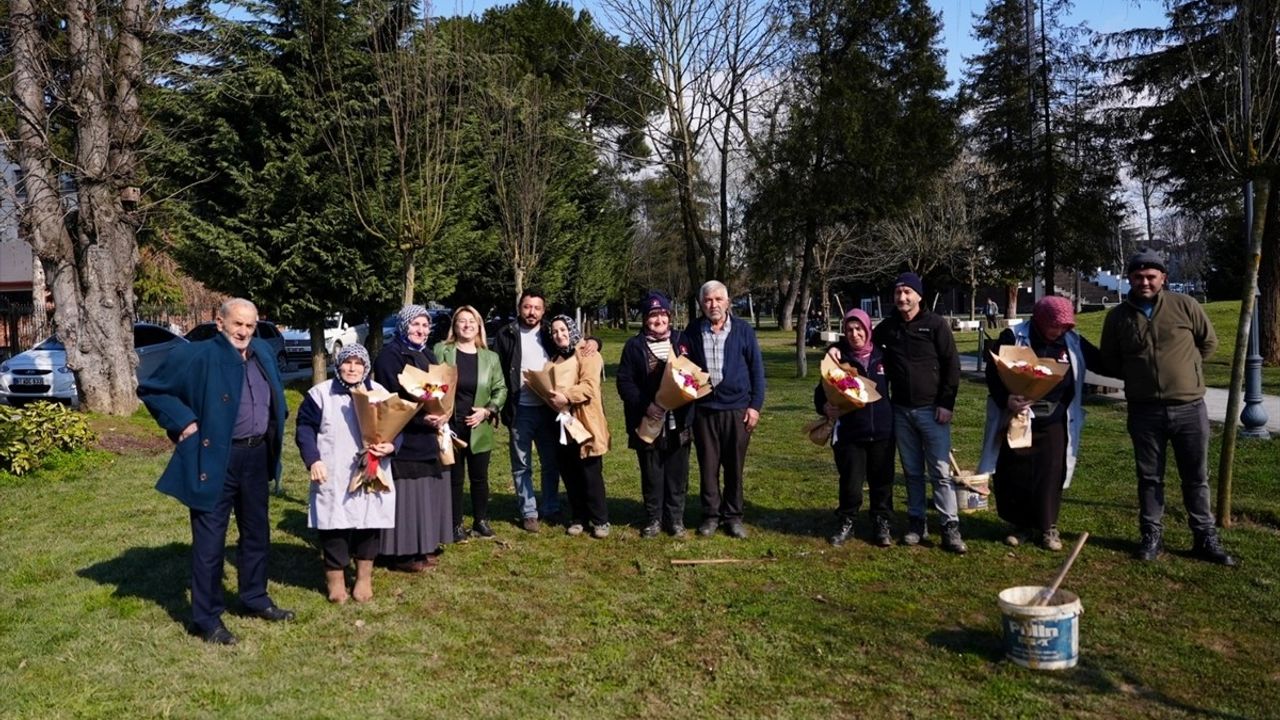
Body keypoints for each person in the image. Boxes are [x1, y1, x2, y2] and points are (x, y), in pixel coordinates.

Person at [138, 298, 293, 645]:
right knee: (210, 542)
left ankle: (255, 597)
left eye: (250, 325)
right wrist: (183, 422)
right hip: (216, 459)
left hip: (256, 455)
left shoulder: (262, 353)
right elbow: (153, 389)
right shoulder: (197, 354)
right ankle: (206, 618)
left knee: (256, 532)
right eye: (237, 324)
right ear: (220, 322)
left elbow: (274, 393)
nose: (244, 331)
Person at [1099, 248, 1235, 566]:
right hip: (1144, 411)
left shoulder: (1185, 305)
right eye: (1138, 277)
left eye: (1151, 276)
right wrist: (1137, 376)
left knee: (1196, 477)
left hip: (1189, 408)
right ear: (1130, 279)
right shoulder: (1118, 317)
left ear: (1163, 278)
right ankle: (1151, 535)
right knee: (1149, 477)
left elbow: (1209, 342)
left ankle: (1204, 536)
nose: (1144, 282)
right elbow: (1110, 360)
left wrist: (1188, 370)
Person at [979, 296, 1103, 551]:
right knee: (1016, 472)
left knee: (1050, 473)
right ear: (1040, 320)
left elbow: (1102, 362)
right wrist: (1006, 398)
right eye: (1055, 326)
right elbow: (993, 371)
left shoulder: (1072, 341)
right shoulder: (1013, 336)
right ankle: (1020, 525)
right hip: (1019, 415)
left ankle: (1048, 527)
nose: (1060, 331)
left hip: (1054, 419)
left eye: (1065, 326)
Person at [871, 272, 966, 553]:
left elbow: (952, 365)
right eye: (898, 293)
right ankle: (916, 523)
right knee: (912, 472)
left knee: (940, 472)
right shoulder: (888, 328)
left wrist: (946, 404)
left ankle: (949, 526)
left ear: (919, 296)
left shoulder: (936, 325)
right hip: (901, 411)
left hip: (933, 411)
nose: (902, 298)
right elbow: (863, 344)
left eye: (907, 292)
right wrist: (836, 351)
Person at [295, 344, 396, 603]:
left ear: (366, 367)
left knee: (369, 522)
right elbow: (305, 428)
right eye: (347, 362)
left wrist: (392, 445)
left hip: (372, 469)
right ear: (338, 365)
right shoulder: (320, 394)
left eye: (358, 363)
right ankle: (336, 579)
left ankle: (363, 578)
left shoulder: (380, 393)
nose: (352, 368)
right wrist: (313, 459)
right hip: (334, 469)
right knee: (333, 524)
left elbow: (397, 427)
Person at [492, 290, 598, 532]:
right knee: (521, 463)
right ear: (519, 308)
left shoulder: (551, 332)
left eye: (537, 308)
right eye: (527, 307)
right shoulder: (506, 334)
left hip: (550, 409)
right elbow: (497, 370)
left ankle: (550, 506)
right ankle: (528, 511)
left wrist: (595, 342)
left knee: (550, 462)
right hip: (519, 408)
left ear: (543, 311)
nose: (532, 312)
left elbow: (574, 344)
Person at [683, 280, 766, 539]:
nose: (713, 304)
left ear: (728, 302)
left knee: (734, 466)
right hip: (705, 410)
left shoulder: (743, 330)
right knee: (708, 466)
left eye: (718, 299)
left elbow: (757, 370)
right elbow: (682, 366)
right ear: (701, 303)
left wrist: (755, 407)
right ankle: (710, 515)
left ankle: (733, 516)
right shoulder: (692, 330)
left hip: (737, 409)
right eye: (708, 300)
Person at [373, 304, 453, 572]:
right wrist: (421, 418)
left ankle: (422, 545)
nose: (420, 330)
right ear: (403, 326)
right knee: (408, 497)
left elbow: (438, 392)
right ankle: (401, 553)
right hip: (403, 437)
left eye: (425, 325)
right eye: (415, 324)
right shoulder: (390, 356)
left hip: (428, 437)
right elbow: (393, 400)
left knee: (426, 494)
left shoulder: (428, 355)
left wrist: (443, 413)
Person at [616, 291, 694, 538]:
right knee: (652, 472)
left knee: (677, 473)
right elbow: (625, 382)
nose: (658, 320)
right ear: (645, 319)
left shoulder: (682, 341)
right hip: (647, 419)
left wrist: (686, 391)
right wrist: (646, 405)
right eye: (652, 315)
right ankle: (654, 519)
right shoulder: (633, 346)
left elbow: (695, 373)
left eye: (662, 314)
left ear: (669, 316)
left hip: (678, 420)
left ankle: (675, 519)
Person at [817, 308, 895, 547]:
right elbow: (820, 393)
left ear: (868, 330)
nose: (854, 334)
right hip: (850, 433)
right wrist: (825, 407)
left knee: (882, 481)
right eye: (849, 330)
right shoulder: (838, 360)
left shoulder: (883, 356)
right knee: (851, 483)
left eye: (859, 328)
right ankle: (847, 521)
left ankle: (881, 522)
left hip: (882, 430)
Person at [434, 306, 507, 541]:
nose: (467, 325)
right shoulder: (442, 351)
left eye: (471, 321)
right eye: (462, 321)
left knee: (479, 477)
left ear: (479, 326)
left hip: (478, 426)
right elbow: (431, 382)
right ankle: (455, 524)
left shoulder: (490, 358)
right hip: (451, 426)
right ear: (454, 326)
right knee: (454, 478)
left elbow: (500, 389)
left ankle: (480, 520)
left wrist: (488, 410)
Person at [544, 315, 612, 538]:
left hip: (586, 420)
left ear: (572, 329)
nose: (559, 335)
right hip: (562, 423)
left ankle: (600, 519)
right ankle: (578, 517)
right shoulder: (554, 358)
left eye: (563, 330)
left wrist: (565, 396)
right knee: (569, 471)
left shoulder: (587, 353)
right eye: (555, 331)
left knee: (590, 472)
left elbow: (590, 386)